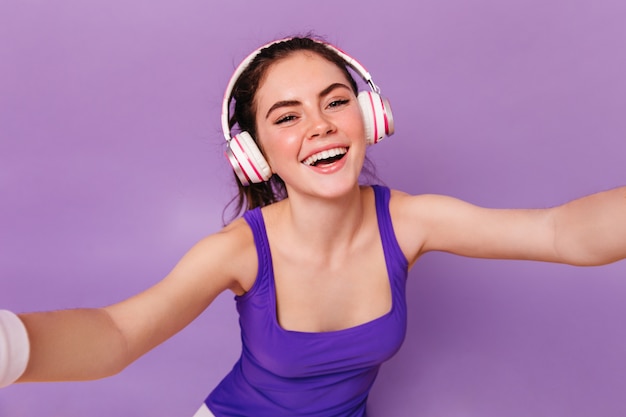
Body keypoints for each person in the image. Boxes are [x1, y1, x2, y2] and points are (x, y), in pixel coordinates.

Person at [1, 35, 625, 417]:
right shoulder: (239, 252)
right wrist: (9, 346)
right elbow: (115, 333)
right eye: (287, 116)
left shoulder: (408, 221)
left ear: (368, 115)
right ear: (256, 154)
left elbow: (560, 233)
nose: (321, 125)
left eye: (335, 101)